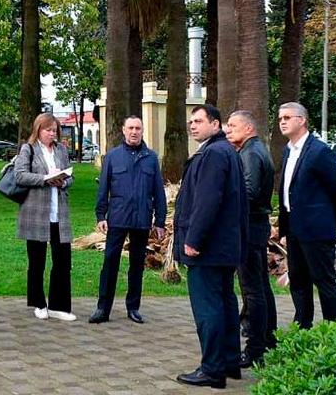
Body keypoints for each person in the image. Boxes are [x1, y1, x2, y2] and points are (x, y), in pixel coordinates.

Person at [175, 104, 247, 389]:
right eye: (191, 121)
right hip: (223, 247)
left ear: (215, 124)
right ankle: (229, 362)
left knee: (208, 309)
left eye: (199, 121)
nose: (192, 125)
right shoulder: (223, 151)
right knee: (225, 303)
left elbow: (207, 201)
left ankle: (213, 369)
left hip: (209, 248)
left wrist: (194, 240)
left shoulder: (214, 154)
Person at [90, 115, 167, 324]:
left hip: (142, 219)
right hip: (118, 218)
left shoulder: (151, 158)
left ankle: (133, 307)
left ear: (142, 131)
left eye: (138, 128)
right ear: (124, 130)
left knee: (136, 265)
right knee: (110, 263)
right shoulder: (113, 157)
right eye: (130, 128)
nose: (134, 132)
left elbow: (158, 192)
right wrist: (100, 215)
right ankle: (102, 308)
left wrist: (160, 221)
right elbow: (103, 189)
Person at [277, 101, 336, 329]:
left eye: (287, 118)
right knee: (298, 281)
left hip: (317, 229)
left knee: (324, 281)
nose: (282, 122)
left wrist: (333, 223)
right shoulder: (288, 150)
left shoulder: (319, 151)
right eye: (280, 119)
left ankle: (335, 330)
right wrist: (285, 229)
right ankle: (303, 326)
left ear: (302, 120)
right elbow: (286, 192)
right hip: (295, 229)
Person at [225, 110, 277, 367]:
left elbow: (249, 192)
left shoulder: (251, 154)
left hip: (249, 228)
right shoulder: (253, 150)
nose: (227, 129)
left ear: (249, 128)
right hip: (255, 227)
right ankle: (268, 338)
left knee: (252, 290)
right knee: (260, 287)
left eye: (233, 125)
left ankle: (256, 347)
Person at [15, 112, 75, 322]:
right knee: (37, 260)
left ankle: (60, 305)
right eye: (48, 130)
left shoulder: (61, 150)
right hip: (36, 213)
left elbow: (71, 176)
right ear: (38, 130)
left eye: (54, 130)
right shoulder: (28, 149)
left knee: (63, 260)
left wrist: (64, 181)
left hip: (59, 212)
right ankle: (39, 303)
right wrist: (45, 179)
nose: (52, 134)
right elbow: (20, 175)